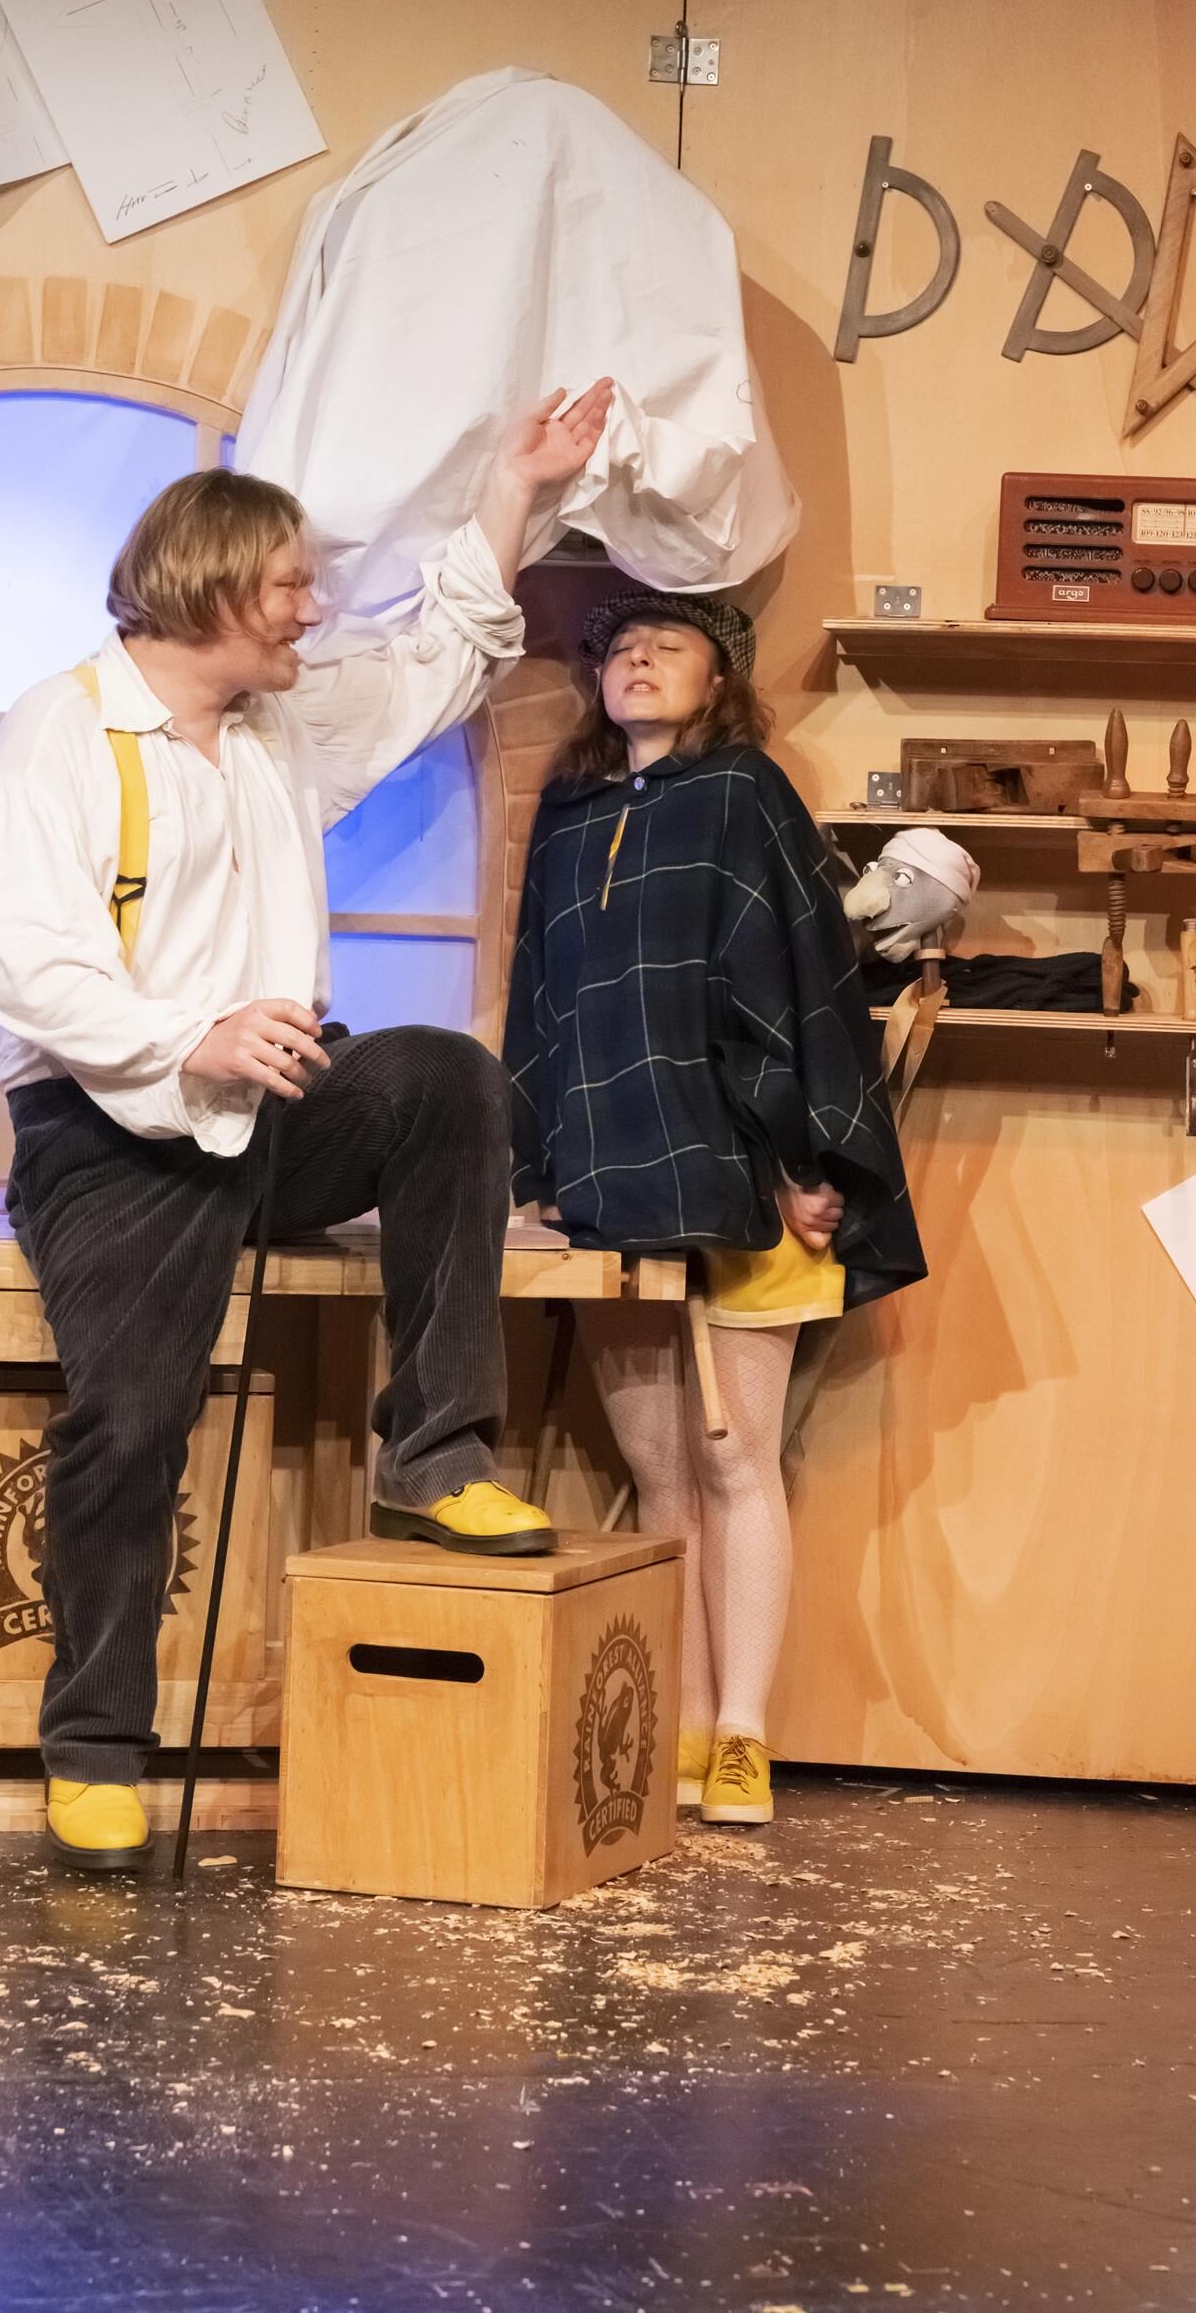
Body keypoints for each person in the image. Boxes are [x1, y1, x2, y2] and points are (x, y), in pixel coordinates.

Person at [0, 379, 613, 1871]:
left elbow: (442, 656)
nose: (312, 609)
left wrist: (515, 493)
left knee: (443, 1076)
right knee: (131, 1421)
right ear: (207, 585)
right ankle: (94, 1746)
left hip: (268, 1106)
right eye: (288, 586)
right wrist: (189, 1035)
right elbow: (27, 965)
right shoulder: (60, 735)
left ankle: (434, 1454)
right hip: (109, 1128)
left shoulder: (280, 730)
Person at [503, 590, 925, 1828]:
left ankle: (743, 1734)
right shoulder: (570, 816)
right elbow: (541, 1003)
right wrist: (537, 1166)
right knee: (659, 1469)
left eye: (669, 644)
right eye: (621, 647)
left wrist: (808, 1157)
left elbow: (798, 980)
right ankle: (678, 1737)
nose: (638, 658)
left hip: (748, 1176)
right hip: (611, 1181)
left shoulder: (746, 793)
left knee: (737, 1457)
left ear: (720, 679)